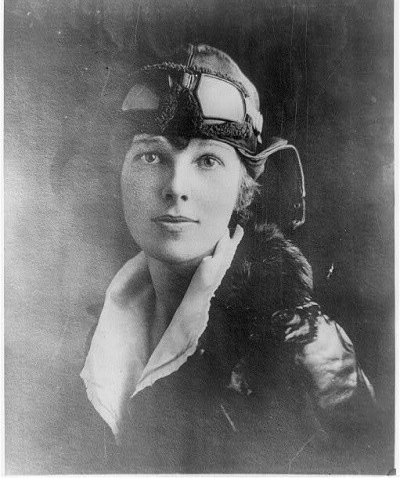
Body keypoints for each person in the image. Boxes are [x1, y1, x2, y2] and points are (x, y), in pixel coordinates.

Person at [80, 44, 379, 473]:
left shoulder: (302, 347)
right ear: (121, 175)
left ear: (244, 189)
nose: (175, 186)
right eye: (151, 155)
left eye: (207, 160)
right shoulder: (98, 337)